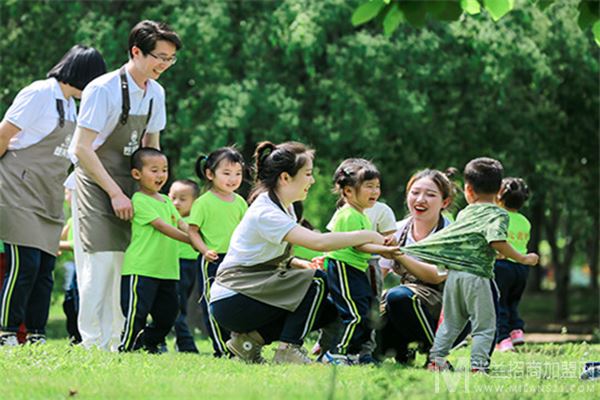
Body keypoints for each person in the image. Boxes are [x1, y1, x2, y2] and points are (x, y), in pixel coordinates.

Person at [210, 142, 384, 365]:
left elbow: (261, 255)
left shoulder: (285, 206)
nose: (312, 181)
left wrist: (299, 264)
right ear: (285, 178)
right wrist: (367, 235)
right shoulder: (266, 212)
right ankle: (288, 350)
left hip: (248, 290)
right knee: (317, 282)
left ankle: (249, 343)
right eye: (308, 174)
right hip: (234, 297)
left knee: (329, 308)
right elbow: (319, 242)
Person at [70, 21, 182, 351]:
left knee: (126, 263)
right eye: (159, 57)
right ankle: (92, 342)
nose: (164, 65)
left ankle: (118, 340)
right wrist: (115, 192)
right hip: (94, 180)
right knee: (101, 261)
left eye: (170, 59)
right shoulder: (102, 89)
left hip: (132, 183)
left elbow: (152, 147)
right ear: (136, 51)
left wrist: (154, 192)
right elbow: (81, 148)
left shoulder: (156, 93)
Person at [0, 45, 106, 345]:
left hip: (47, 195)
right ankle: (5, 332)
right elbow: (3, 135)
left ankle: (36, 334)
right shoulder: (38, 93)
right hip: (16, 189)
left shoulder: (72, 105)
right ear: (87, 75)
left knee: (45, 271)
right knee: (24, 265)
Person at [395, 157, 539, 373]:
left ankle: (436, 360)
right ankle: (478, 366)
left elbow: (462, 243)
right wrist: (522, 258)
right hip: (477, 278)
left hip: (454, 277)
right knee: (485, 327)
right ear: (500, 189)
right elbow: (496, 241)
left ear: (468, 190)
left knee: (451, 323)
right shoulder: (498, 213)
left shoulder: (464, 213)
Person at [323, 158, 400, 365]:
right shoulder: (348, 214)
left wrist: (385, 244)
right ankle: (336, 353)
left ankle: (352, 354)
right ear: (348, 191)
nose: (375, 192)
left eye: (377, 186)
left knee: (365, 313)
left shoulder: (362, 215)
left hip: (356, 268)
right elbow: (359, 246)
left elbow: (366, 241)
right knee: (355, 314)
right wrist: (386, 250)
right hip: (343, 267)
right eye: (369, 187)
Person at [378, 169, 457, 364]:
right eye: (415, 193)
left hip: (444, 305)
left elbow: (436, 276)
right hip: (406, 301)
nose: (420, 199)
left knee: (398, 296)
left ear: (444, 202)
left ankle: (436, 354)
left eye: (430, 195)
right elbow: (379, 273)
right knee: (376, 347)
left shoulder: (451, 234)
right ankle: (403, 351)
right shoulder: (397, 229)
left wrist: (400, 254)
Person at [119, 148, 190, 352]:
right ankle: (128, 347)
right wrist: (190, 241)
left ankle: (148, 345)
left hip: (167, 270)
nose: (161, 175)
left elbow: (181, 223)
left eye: (164, 170)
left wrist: (196, 235)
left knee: (168, 315)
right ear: (137, 174)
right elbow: (164, 227)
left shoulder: (167, 201)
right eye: (154, 170)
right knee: (136, 314)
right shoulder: (139, 200)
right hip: (142, 268)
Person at [188, 147, 247, 357]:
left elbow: (246, 231)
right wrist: (204, 250)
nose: (233, 179)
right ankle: (222, 348)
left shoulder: (240, 202)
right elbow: (192, 231)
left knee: (236, 301)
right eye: (227, 173)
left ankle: (240, 345)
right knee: (211, 302)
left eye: (238, 173)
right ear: (210, 174)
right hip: (212, 260)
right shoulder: (203, 202)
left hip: (236, 260)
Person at [494, 177, 532, 352]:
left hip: (502, 266)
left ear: (499, 197)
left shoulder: (498, 216)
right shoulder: (525, 221)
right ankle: (517, 332)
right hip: (521, 268)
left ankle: (503, 339)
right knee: (512, 302)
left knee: (499, 303)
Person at [167, 179, 201, 353]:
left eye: (182, 199)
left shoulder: (195, 220)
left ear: (195, 202)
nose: (175, 203)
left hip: (188, 265)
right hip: (168, 264)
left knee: (179, 306)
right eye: (172, 197)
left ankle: (184, 343)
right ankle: (184, 343)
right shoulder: (166, 216)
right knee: (173, 305)